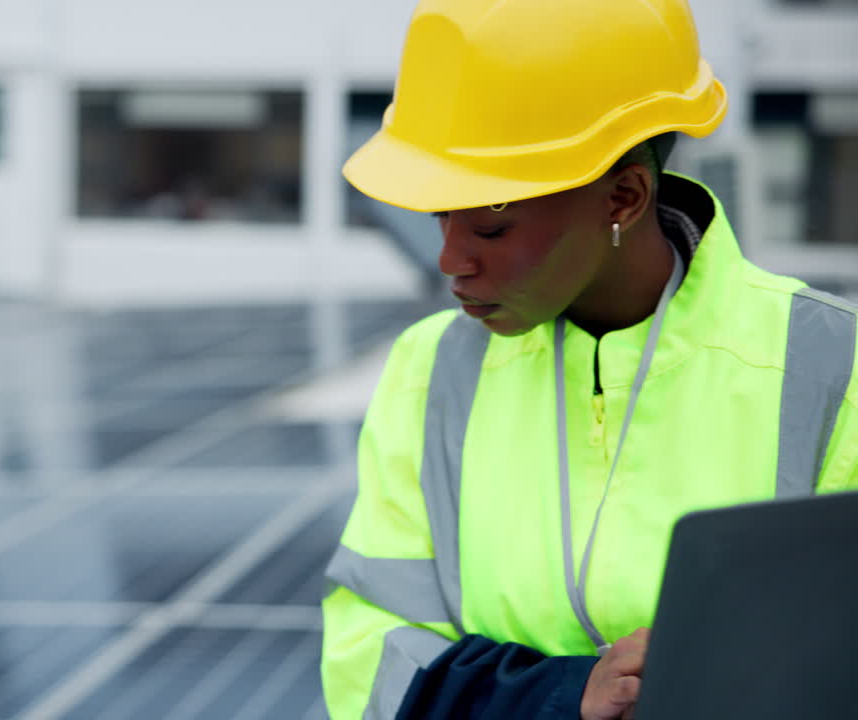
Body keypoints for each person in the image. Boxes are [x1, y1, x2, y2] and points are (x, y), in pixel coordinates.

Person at [320, 1, 858, 719]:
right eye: (437, 214)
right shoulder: (430, 373)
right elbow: (365, 656)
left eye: (489, 223)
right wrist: (560, 698)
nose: (450, 260)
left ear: (624, 197)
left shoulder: (835, 372)